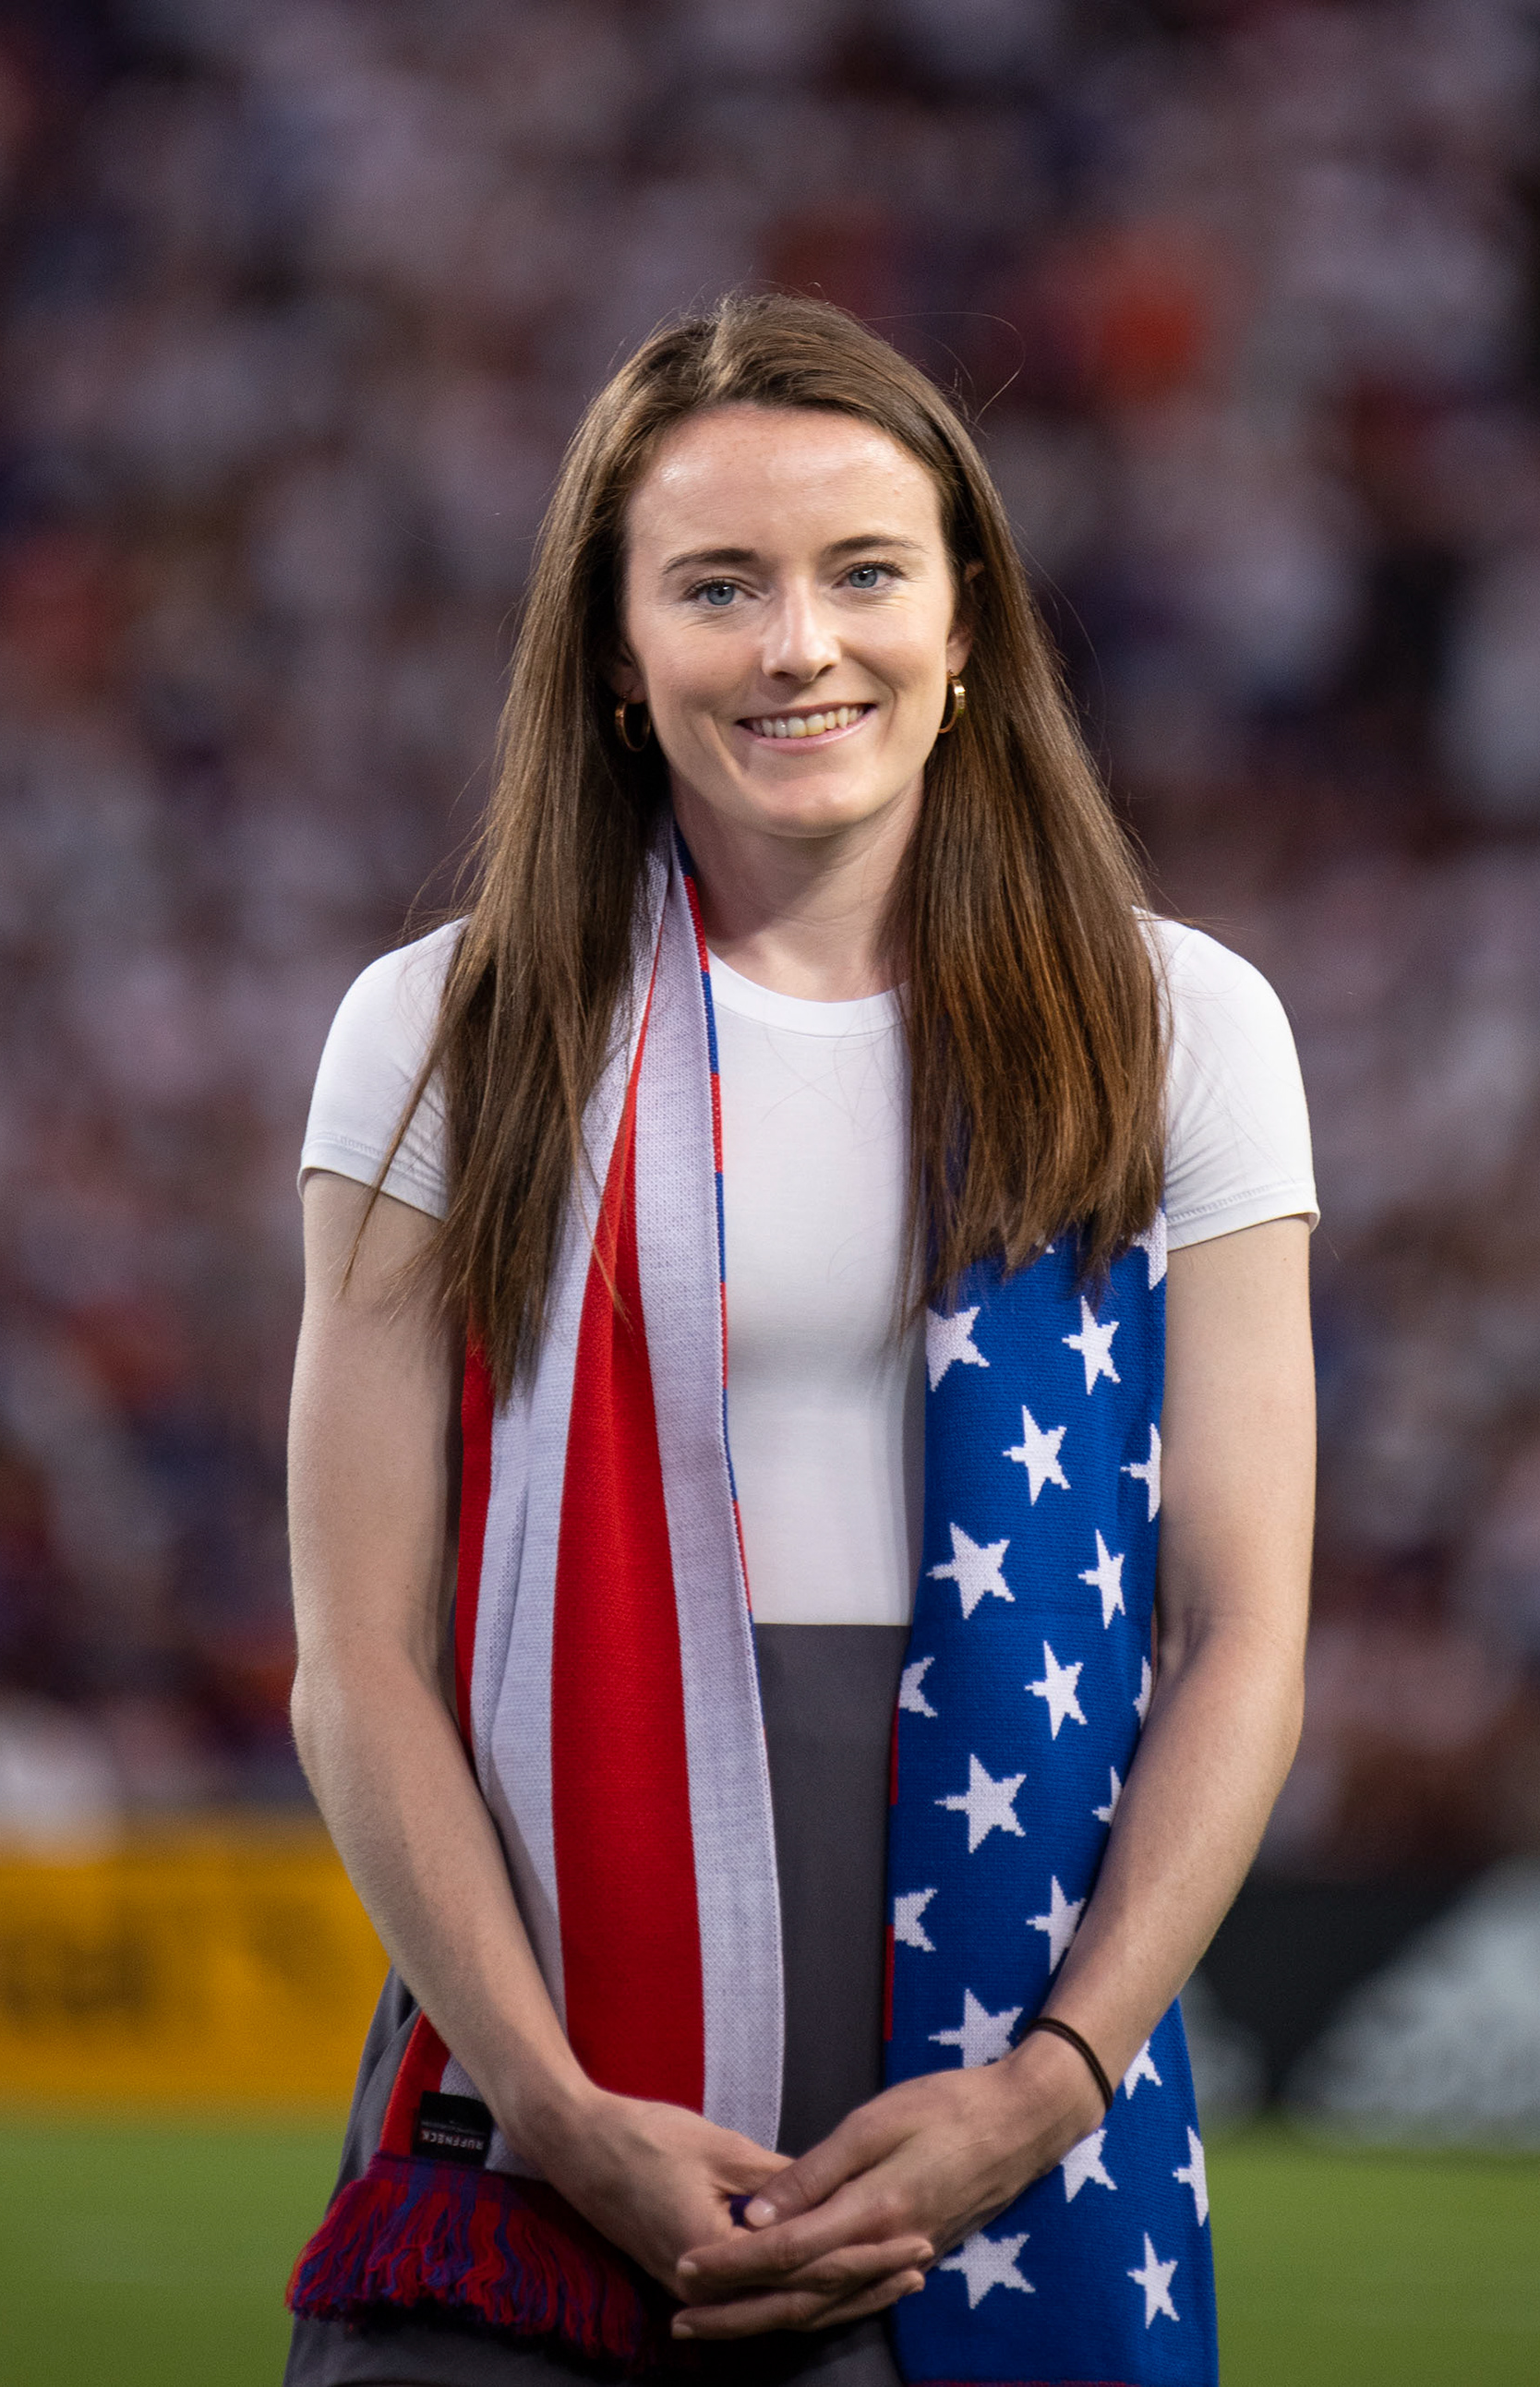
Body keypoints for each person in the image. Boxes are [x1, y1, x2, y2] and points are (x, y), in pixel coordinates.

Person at [282, 292, 1316, 2387]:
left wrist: (1047, 2085)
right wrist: (560, 2116)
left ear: (967, 622)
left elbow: (1244, 1635)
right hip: (549, 2036)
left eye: (864, 574)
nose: (797, 646)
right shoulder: (443, 1030)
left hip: (1011, 2037)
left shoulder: (1181, 1022)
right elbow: (359, 1653)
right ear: (610, 644)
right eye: (718, 585)